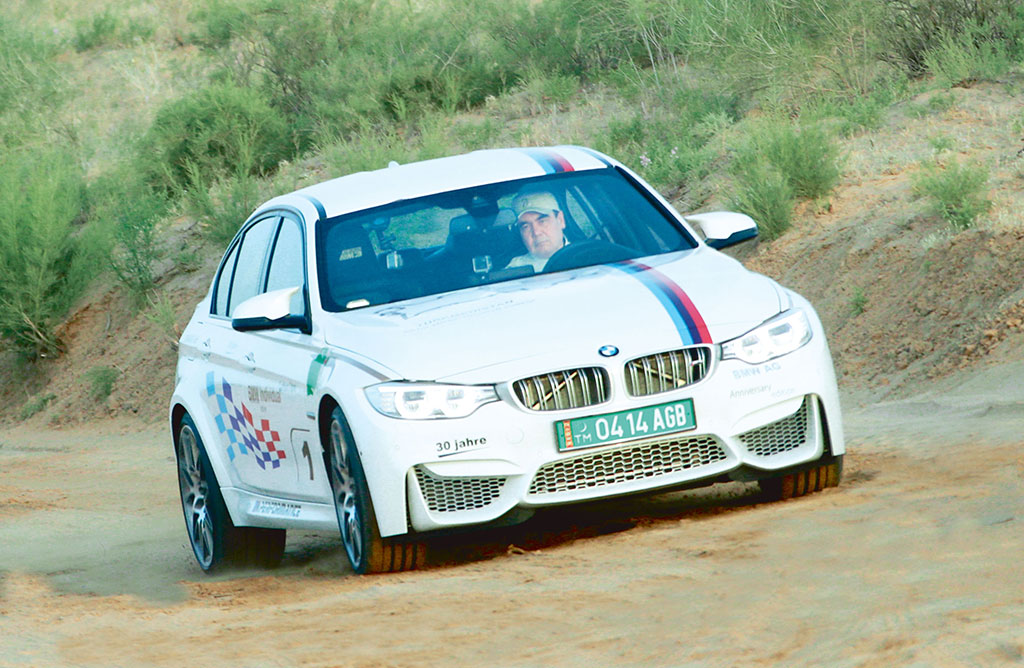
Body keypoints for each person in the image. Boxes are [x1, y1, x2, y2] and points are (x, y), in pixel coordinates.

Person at [506, 191, 568, 272]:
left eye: (542, 221)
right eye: (526, 227)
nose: (536, 232)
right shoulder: (513, 271)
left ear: (560, 220)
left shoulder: (584, 256)